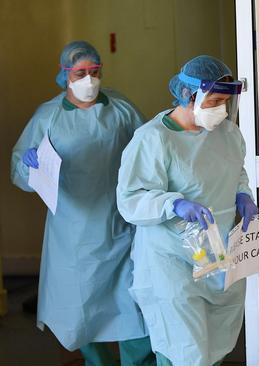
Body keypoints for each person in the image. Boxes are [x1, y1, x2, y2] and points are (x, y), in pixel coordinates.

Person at [10, 41, 155, 365]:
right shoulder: (49, 116)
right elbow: (19, 168)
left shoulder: (121, 109)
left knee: (134, 308)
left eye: (94, 71)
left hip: (120, 228)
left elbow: (149, 152)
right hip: (72, 235)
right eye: (80, 73)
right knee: (80, 313)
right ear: (65, 75)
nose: (89, 79)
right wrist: (29, 163)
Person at [116, 55, 258, 366]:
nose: (220, 108)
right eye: (214, 100)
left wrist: (243, 195)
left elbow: (237, 171)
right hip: (171, 263)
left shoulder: (227, 133)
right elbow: (130, 198)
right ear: (188, 95)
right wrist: (173, 204)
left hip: (217, 257)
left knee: (215, 347)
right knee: (185, 352)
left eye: (225, 101)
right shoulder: (153, 139)